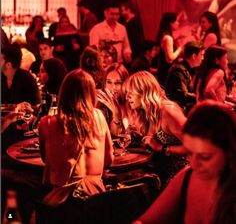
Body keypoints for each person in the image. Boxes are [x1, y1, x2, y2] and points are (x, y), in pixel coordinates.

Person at [133, 100, 236, 224]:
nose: (193, 164)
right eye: (190, 153)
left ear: (231, 151)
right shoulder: (188, 177)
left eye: (205, 157)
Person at [38, 69, 114, 204]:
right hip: (95, 199)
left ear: (63, 93)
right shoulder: (99, 117)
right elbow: (109, 159)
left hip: (63, 203)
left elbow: (46, 160)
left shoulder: (47, 123)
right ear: (91, 94)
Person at [123, 71, 187, 187]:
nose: (127, 97)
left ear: (144, 91)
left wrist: (162, 148)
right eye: (127, 93)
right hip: (158, 172)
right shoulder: (144, 112)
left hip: (178, 176)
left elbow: (195, 145)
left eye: (131, 92)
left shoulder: (168, 111)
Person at [166, 40, 204, 114]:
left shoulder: (190, 69)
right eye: (202, 55)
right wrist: (201, 98)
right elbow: (183, 95)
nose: (203, 58)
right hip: (175, 111)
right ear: (194, 56)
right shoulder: (178, 70)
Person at [97, 63, 129, 136]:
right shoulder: (100, 106)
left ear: (125, 83)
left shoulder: (131, 103)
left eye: (117, 83)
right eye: (109, 82)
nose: (113, 88)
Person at [155, 12, 183, 89]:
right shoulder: (168, 38)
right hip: (167, 72)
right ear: (171, 23)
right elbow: (170, 59)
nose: (178, 23)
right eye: (176, 21)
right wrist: (180, 48)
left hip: (163, 71)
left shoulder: (164, 35)